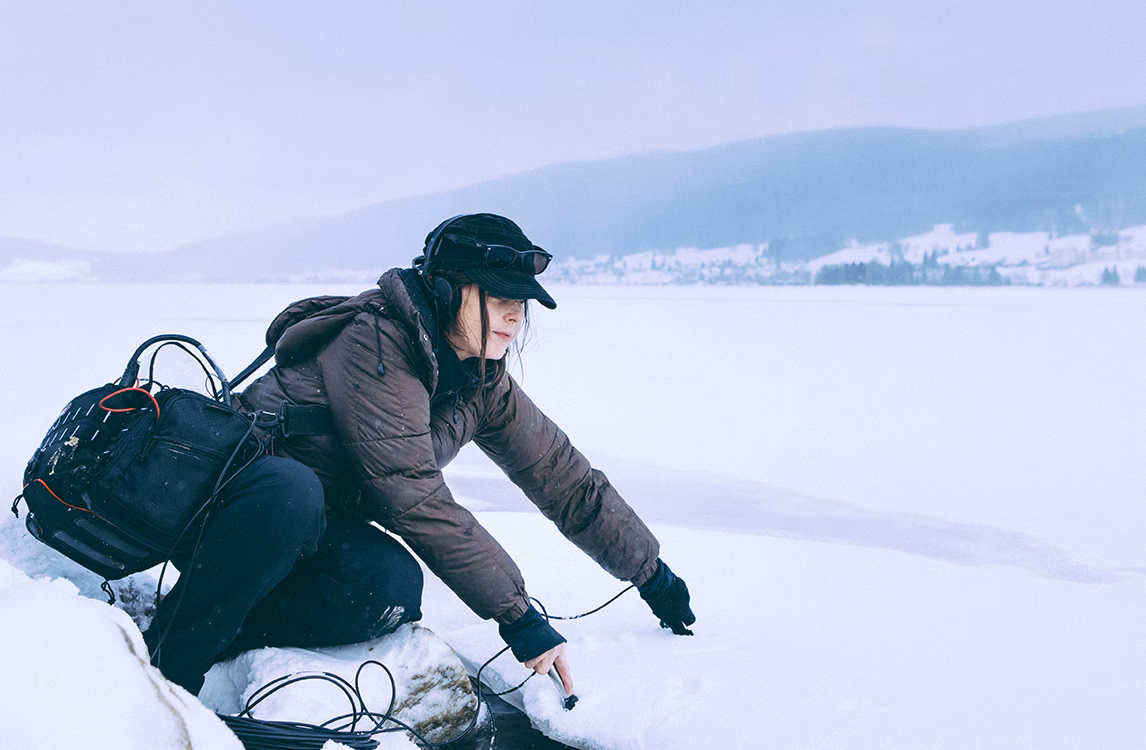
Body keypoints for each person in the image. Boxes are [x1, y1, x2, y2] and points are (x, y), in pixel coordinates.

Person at [143, 213, 695, 697]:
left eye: (521, 302)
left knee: (392, 587)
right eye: (499, 297)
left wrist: (653, 575)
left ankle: (227, 635)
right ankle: (168, 671)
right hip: (236, 515)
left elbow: (563, 478)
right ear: (450, 292)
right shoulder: (374, 343)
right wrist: (520, 618)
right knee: (292, 489)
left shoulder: (481, 382)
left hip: (314, 526)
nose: (515, 315)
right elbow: (412, 493)